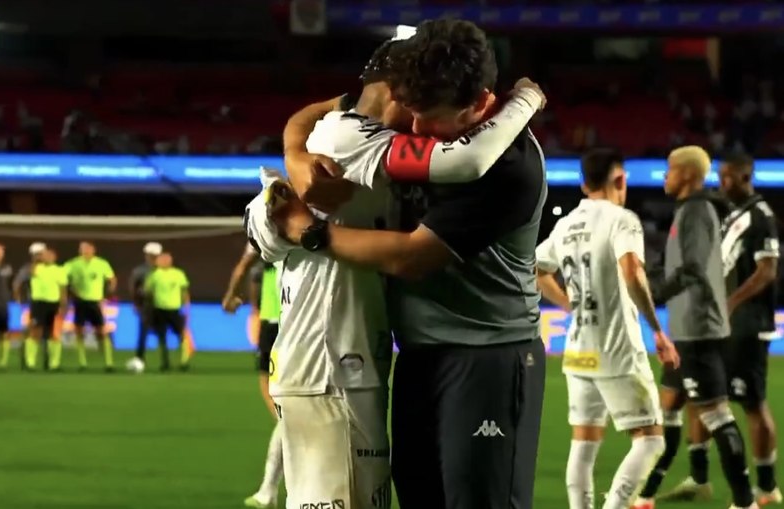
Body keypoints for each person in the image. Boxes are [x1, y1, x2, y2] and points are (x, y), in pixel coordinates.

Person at [253, 20, 546, 509]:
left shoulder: (508, 164)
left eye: (429, 118)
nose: (414, 129)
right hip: (418, 355)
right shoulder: (411, 118)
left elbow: (413, 257)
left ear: (478, 104)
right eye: (410, 111)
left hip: (487, 354)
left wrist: (310, 232)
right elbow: (329, 108)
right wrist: (296, 152)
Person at [534, 148, 680, 509]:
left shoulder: (566, 225)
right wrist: (657, 329)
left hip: (578, 350)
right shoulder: (622, 219)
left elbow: (536, 270)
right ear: (620, 179)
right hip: (617, 349)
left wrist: (569, 305)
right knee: (651, 440)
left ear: (584, 184)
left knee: (583, 445)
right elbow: (632, 271)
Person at [633, 146, 757, 509]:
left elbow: (692, 268)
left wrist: (654, 294)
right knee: (667, 409)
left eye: (670, 169)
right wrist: (645, 279)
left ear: (687, 174)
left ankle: (745, 502)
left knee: (717, 415)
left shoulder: (697, 211)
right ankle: (645, 496)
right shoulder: (686, 210)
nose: (665, 176)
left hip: (699, 328)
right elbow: (675, 266)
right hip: (686, 327)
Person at [662, 153, 781, 505]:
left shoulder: (761, 216)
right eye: (720, 175)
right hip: (718, 325)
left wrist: (731, 303)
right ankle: (699, 478)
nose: (722, 182)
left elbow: (768, 270)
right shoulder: (728, 215)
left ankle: (766, 487)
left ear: (746, 177)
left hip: (747, 324)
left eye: (728, 177)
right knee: (702, 395)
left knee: (752, 403)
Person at [222, 242, 285, 508]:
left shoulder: (267, 224)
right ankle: (269, 490)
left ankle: (268, 490)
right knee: (286, 407)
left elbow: (244, 266)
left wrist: (230, 296)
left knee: (281, 402)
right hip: (300, 320)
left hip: (277, 319)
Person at [64, 241, 117, 372]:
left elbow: (112, 279)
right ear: (80, 251)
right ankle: (83, 363)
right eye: (83, 249)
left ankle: (109, 363)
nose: (86, 251)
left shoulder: (102, 263)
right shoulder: (73, 264)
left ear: (94, 250)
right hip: (79, 301)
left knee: (101, 332)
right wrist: (69, 290)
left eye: (88, 249)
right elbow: (61, 277)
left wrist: (107, 295)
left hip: (95, 302)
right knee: (79, 331)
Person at [143, 251, 190, 371]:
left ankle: (184, 361)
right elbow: (147, 290)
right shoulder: (155, 275)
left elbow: (184, 291)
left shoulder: (178, 274)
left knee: (182, 335)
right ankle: (165, 362)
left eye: (166, 259)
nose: (164, 261)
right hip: (159, 309)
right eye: (162, 259)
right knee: (162, 336)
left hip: (174, 309)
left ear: (171, 261)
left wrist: (186, 307)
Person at [25, 248, 67, 371]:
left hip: (53, 303)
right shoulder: (36, 268)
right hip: (38, 303)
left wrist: (63, 305)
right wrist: (36, 260)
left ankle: (54, 363)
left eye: (49, 255)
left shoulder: (59, 270)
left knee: (54, 333)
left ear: (54, 257)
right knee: (35, 332)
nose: (47, 257)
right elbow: (30, 273)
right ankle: (30, 362)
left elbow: (63, 289)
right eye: (44, 255)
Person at [14, 242, 47, 371]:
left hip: (49, 304)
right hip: (32, 304)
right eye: (38, 254)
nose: (40, 256)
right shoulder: (28, 269)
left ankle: (47, 362)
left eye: (42, 254)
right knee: (31, 331)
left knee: (47, 333)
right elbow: (17, 284)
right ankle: (27, 359)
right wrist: (19, 300)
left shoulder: (51, 267)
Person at [129, 242, 161, 365]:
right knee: (143, 331)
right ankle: (139, 357)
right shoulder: (140, 271)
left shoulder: (165, 270)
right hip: (146, 305)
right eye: (150, 255)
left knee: (162, 332)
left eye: (154, 255)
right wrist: (135, 303)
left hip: (164, 305)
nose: (152, 257)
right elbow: (133, 287)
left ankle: (166, 360)